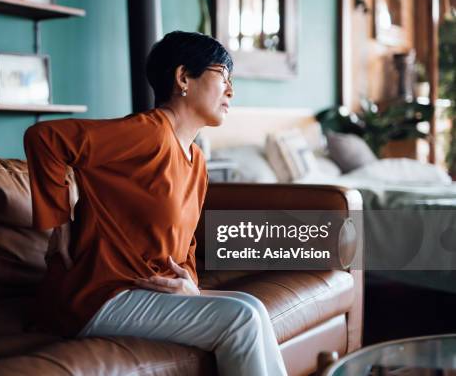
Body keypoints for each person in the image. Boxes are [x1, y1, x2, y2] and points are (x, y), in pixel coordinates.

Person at [24, 31, 287, 376]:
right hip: (101, 296)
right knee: (240, 319)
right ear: (183, 78)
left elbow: (186, 244)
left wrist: (189, 283)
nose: (231, 90)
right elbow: (45, 139)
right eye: (223, 75)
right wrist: (57, 224)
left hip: (150, 294)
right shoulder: (148, 132)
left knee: (252, 306)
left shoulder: (196, 161)